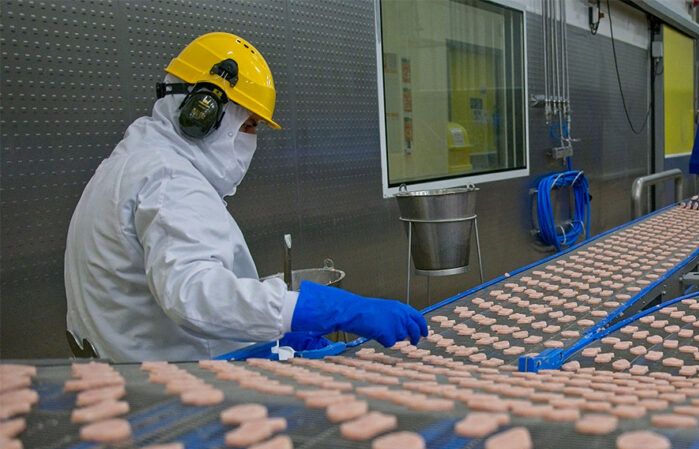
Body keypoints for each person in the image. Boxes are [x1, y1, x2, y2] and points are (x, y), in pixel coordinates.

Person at [64, 32, 427, 362]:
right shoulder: (169, 177)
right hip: (170, 394)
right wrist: (319, 309)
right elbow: (193, 294)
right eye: (249, 124)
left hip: (134, 369)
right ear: (204, 112)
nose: (250, 140)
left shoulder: (132, 161)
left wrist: (274, 333)